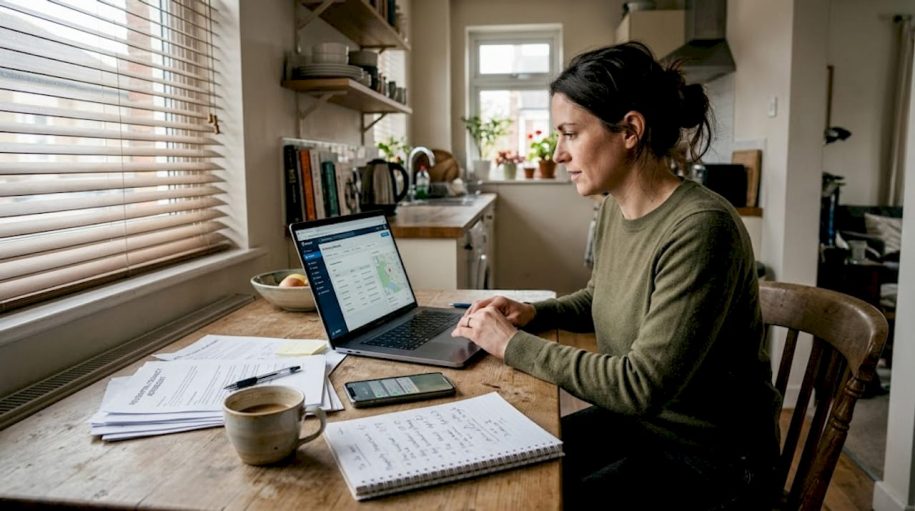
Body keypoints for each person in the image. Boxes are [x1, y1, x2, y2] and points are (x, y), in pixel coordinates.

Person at [451, 42, 781, 510]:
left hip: (710, 461)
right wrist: (534, 313)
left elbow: (639, 385)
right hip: (639, 426)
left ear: (630, 130)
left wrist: (513, 345)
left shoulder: (702, 228)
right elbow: (598, 297)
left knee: (535, 499)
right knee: (505, 468)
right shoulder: (613, 208)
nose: (558, 153)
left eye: (570, 134)